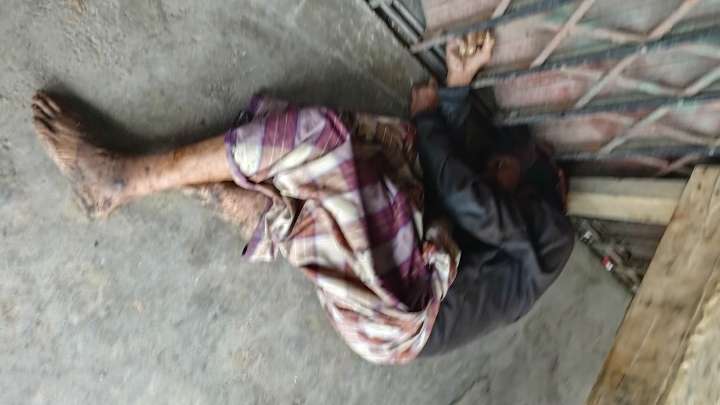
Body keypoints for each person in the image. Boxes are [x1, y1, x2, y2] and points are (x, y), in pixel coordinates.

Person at [30, 33, 573, 364]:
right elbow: (462, 182)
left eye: (501, 166)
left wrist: (434, 116)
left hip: (402, 309)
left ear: (534, 185)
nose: (490, 167)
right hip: (396, 303)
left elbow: (463, 192)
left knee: (317, 140)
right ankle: (271, 213)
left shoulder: (553, 236)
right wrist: (456, 85)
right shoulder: (521, 240)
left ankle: (122, 180)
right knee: (392, 148)